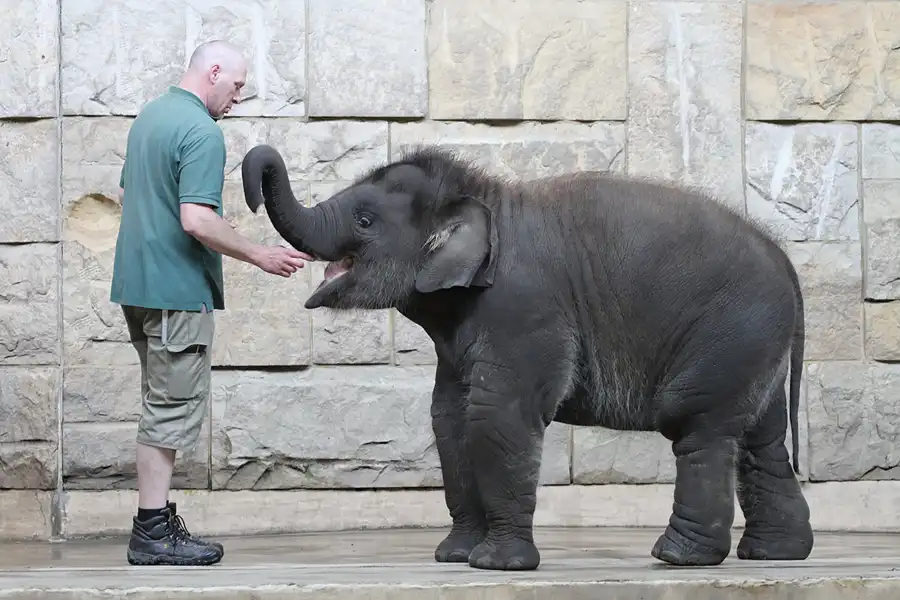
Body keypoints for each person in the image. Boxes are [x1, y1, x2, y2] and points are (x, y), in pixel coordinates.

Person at [109, 40, 311, 566]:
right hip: (177, 294)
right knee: (170, 410)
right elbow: (196, 219)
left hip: (137, 288)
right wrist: (259, 254)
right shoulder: (201, 131)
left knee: (161, 404)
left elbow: (132, 198)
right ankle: (152, 533)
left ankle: (155, 523)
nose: (238, 97)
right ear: (213, 72)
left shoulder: (150, 116)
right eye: (238, 85)